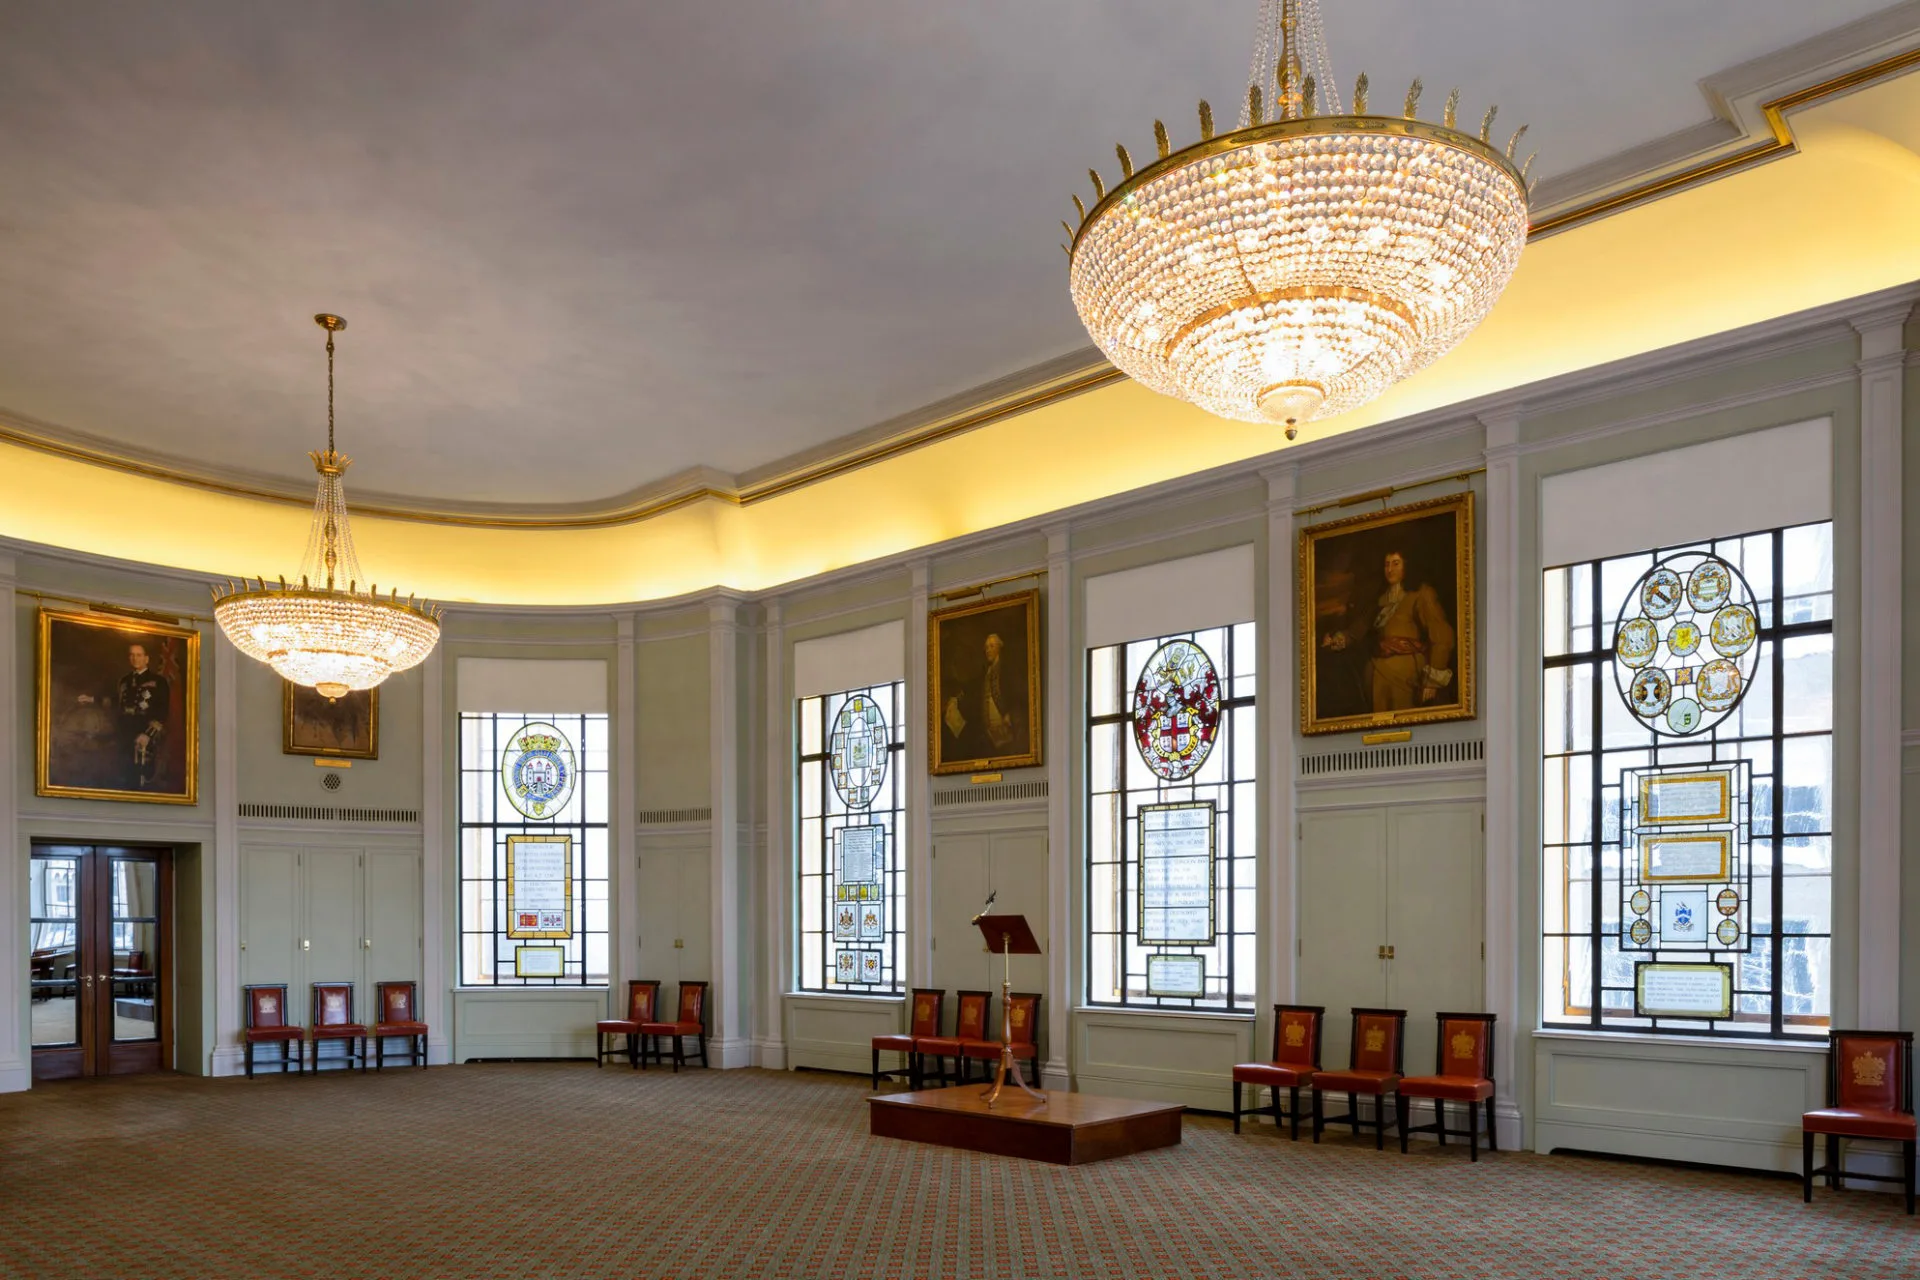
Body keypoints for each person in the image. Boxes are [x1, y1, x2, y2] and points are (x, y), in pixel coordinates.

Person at [1321, 549, 1455, 713]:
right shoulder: (1381, 599)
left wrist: (1432, 681)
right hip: (1376, 678)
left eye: (1396, 563)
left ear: (1406, 565)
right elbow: (1357, 631)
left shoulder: (1421, 594)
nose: (1390, 569)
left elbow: (1442, 636)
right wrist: (1336, 639)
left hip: (1408, 679)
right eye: (1386, 564)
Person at [77, 641, 170, 790]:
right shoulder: (124, 681)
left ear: (146, 658)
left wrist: (148, 734)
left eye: (139, 655)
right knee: (124, 773)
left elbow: (162, 710)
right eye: (132, 655)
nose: (135, 658)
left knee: (142, 776)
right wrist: (92, 699)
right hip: (124, 731)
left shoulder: (158, 681)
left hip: (145, 732)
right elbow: (116, 701)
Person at [942, 630, 1025, 761]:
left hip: (1006, 725)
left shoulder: (1007, 670)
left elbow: (1017, 694)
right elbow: (973, 688)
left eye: (992, 646)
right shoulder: (986, 673)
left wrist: (1010, 713)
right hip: (989, 732)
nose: (988, 650)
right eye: (986, 647)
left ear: (999, 648)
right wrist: (957, 698)